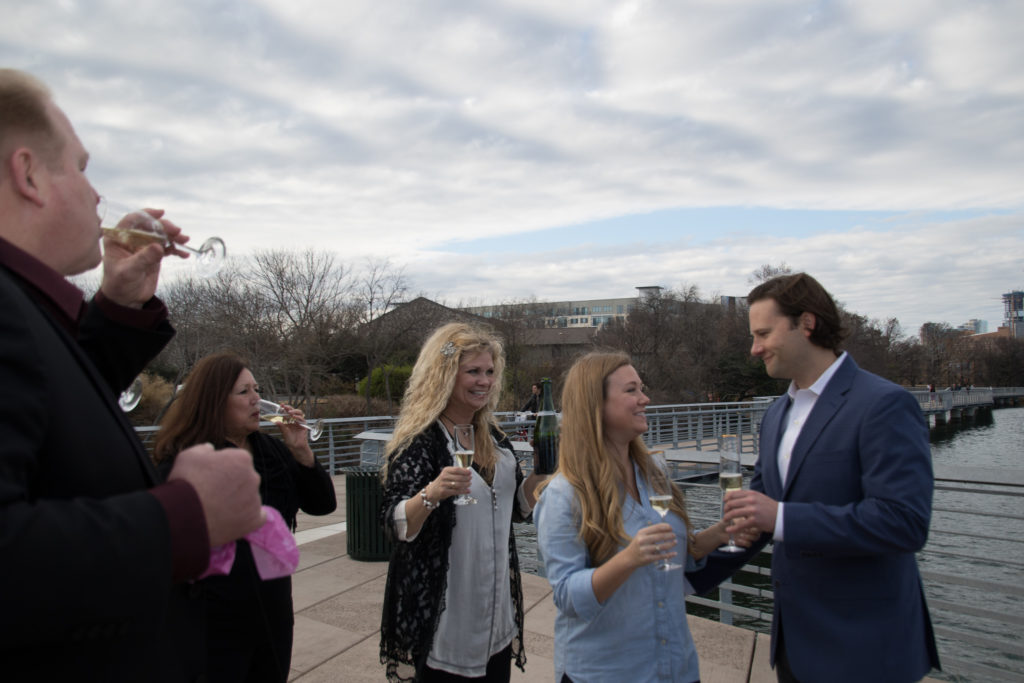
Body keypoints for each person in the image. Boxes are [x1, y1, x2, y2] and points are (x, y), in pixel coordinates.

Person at [0, 69, 264, 681]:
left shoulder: (18, 306)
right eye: (82, 168)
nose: (98, 197)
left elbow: (46, 421)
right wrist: (185, 516)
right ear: (29, 175)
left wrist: (117, 308)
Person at [718, 273, 940, 683]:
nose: (755, 348)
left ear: (806, 323)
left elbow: (904, 523)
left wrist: (780, 517)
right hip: (794, 646)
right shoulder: (774, 415)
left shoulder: (885, 404)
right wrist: (688, 568)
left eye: (764, 333)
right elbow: (760, 516)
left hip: (865, 649)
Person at [534, 351, 751, 683]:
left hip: (676, 667)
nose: (645, 399)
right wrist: (629, 559)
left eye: (642, 389)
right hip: (607, 673)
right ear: (596, 405)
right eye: (631, 390)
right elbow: (567, 597)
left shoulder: (657, 472)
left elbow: (677, 557)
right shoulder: (564, 494)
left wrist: (720, 533)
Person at [154, 352, 338, 682]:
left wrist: (301, 451)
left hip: (272, 612)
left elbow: (322, 505)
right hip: (211, 617)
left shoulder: (272, 451)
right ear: (213, 401)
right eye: (244, 392)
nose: (257, 400)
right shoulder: (188, 460)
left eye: (257, 390)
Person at [379, 322, 547, 682]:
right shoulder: (420, 443)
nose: (484, 381)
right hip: (447, 623)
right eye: (473, 371)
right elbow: (394, 524)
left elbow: (518, 508)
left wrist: (540, 473)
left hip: (496, 619)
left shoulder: (495, 438)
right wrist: (431, 494)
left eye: (489, 372)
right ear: (444, 375)